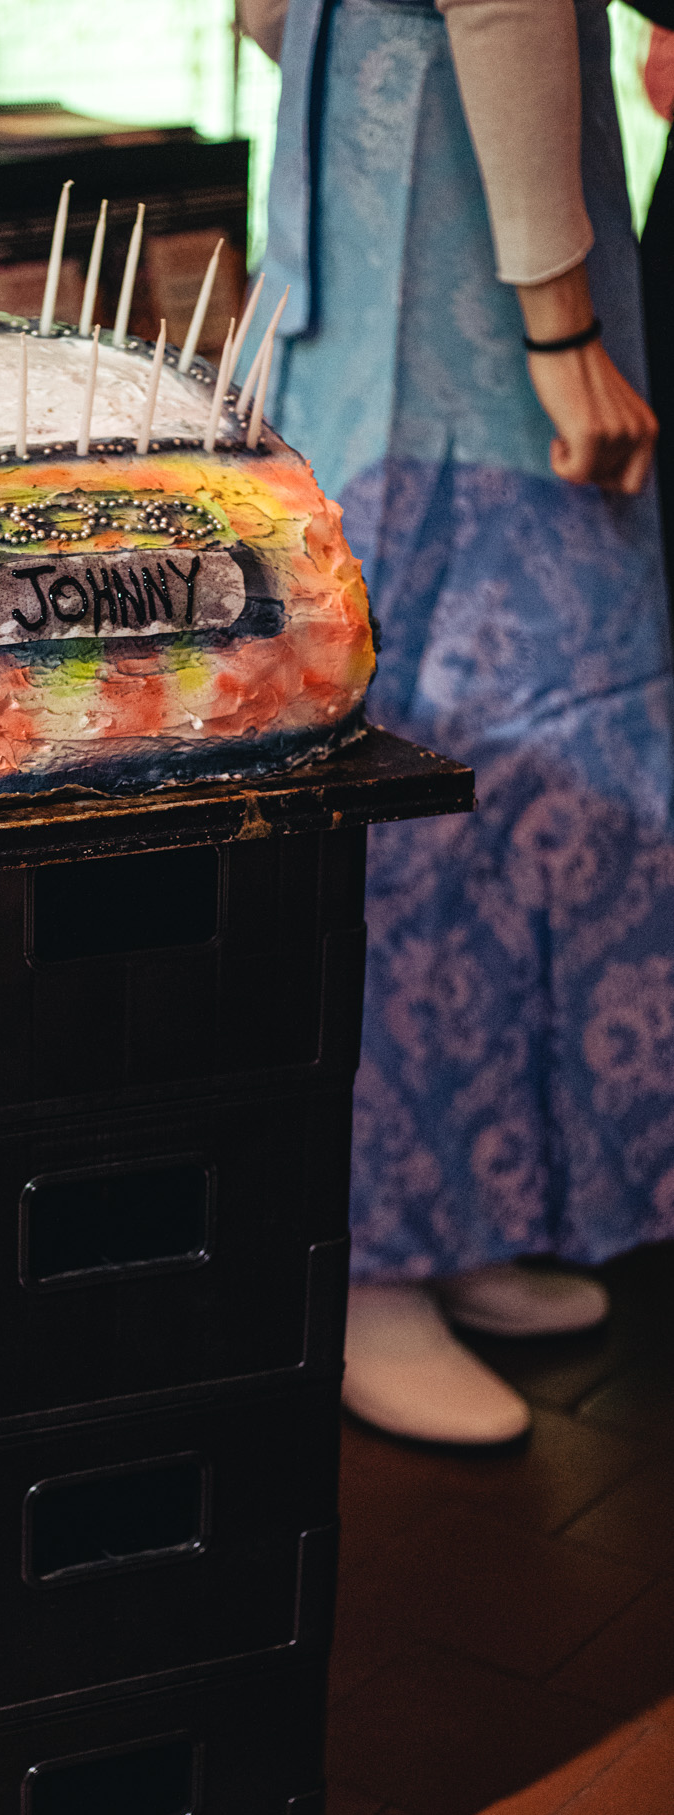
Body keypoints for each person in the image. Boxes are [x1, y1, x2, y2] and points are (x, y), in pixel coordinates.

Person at [243, 0, 673, 1445]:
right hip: (458, 246)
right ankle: (370, 1258)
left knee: (465, 751)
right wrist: (561, 321)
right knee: (438, 751)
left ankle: (452, 1215)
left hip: (391, 179)